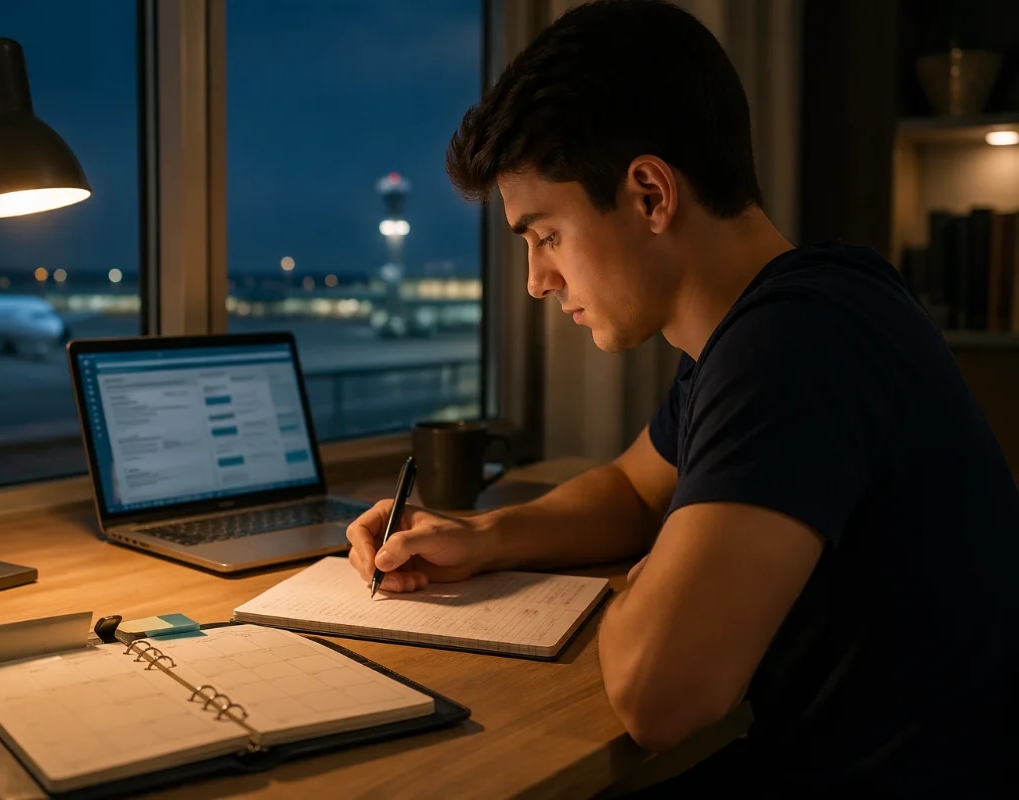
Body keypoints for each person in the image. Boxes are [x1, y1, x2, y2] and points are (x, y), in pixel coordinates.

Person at [344, 0, 1019, 796]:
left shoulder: (795, 346)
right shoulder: (776, 317)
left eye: (547, 234)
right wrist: (484, 537)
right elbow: (634, 488)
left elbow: (660, 697)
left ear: (650, 195)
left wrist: (654, 578)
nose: (536, 280)